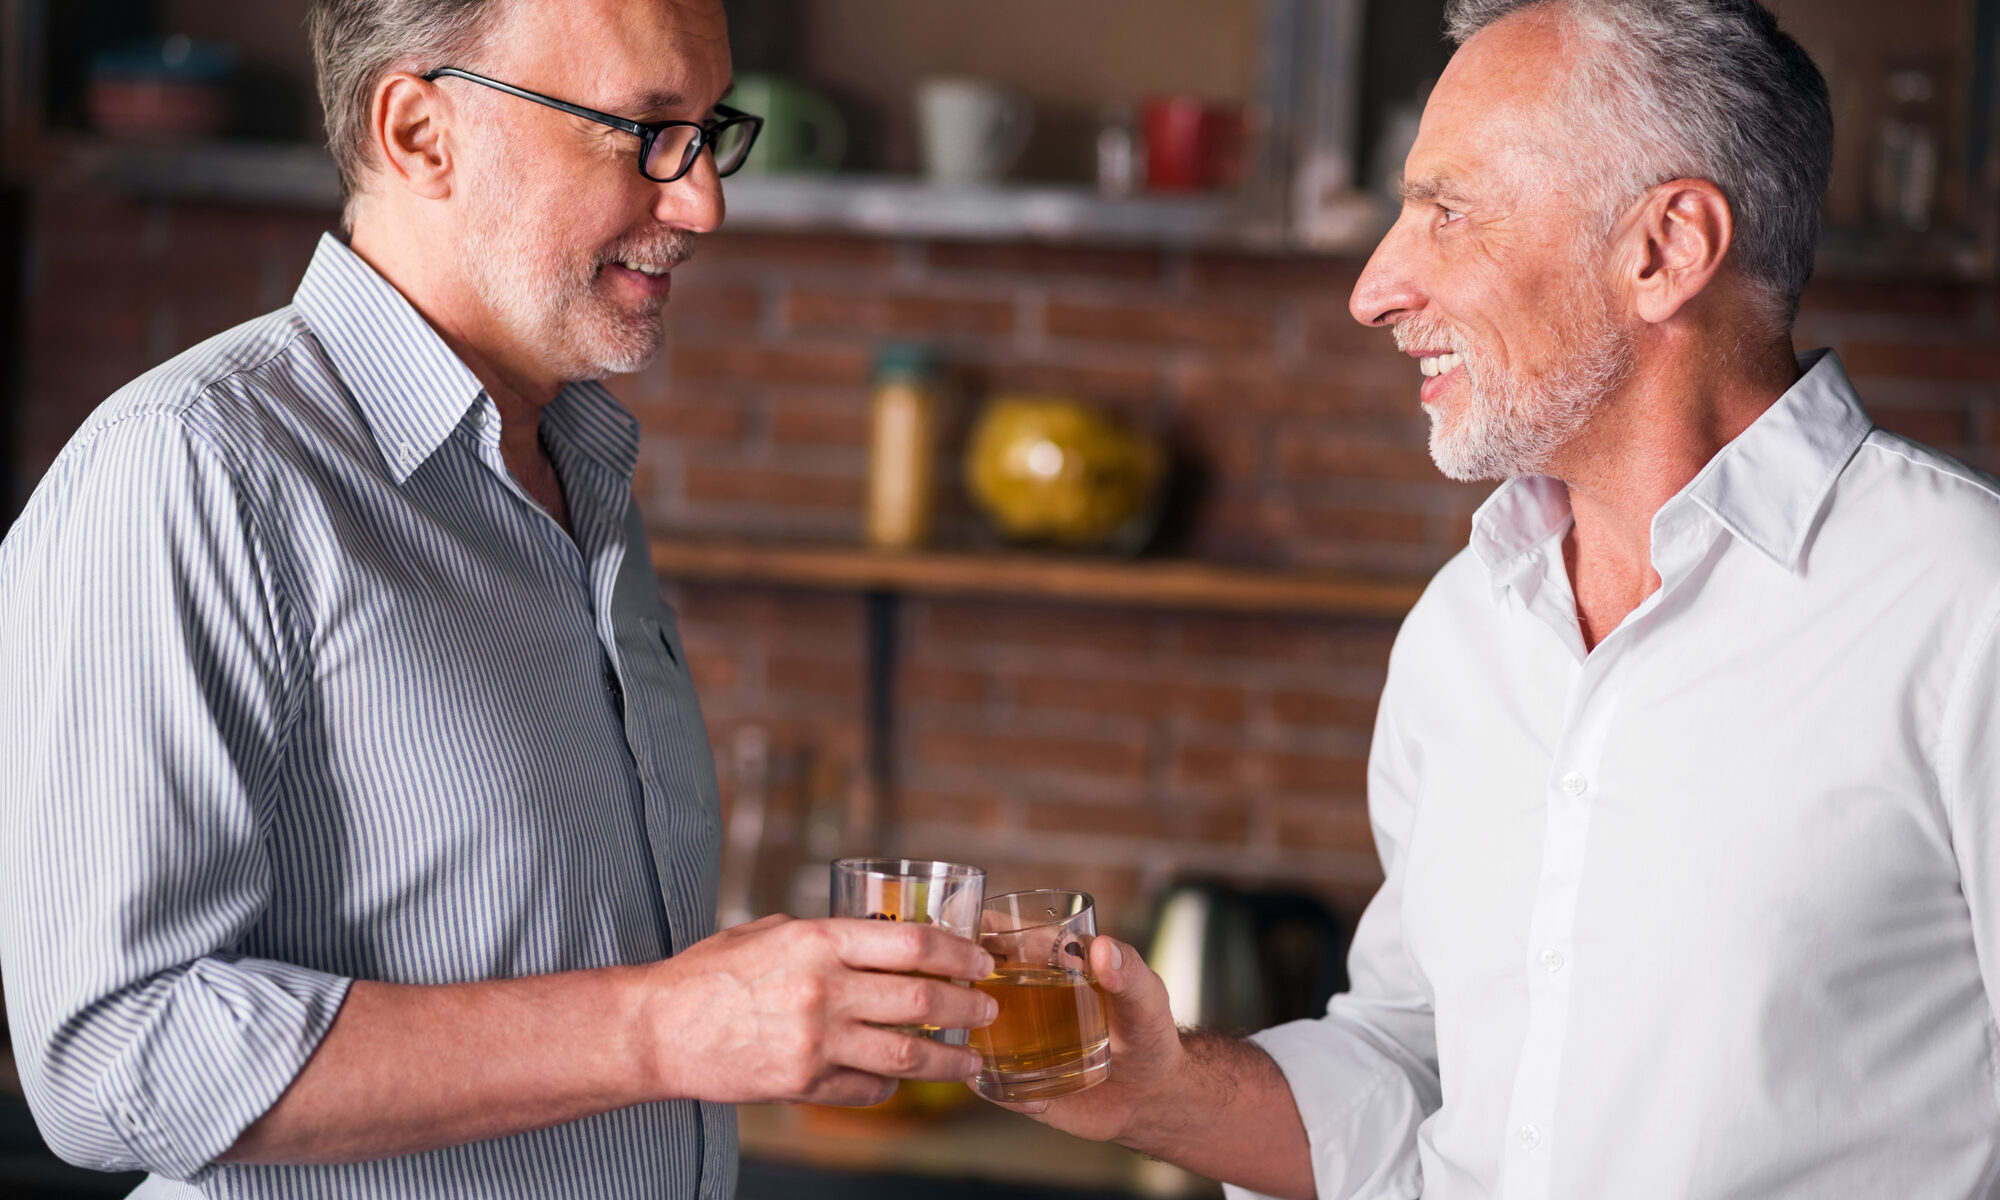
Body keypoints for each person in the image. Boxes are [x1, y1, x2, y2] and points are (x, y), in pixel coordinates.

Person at [0, 1, 996, 1196]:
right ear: (422, 132)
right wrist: (660, 1026)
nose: (701, 202)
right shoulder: (194, 468)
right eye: (640, 131)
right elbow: (113, 1061)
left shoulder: (575, 464)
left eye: (706, 131)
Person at [1005, 2, 2000, 1198]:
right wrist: (1158, 1093)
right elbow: (1417, 1074)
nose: (1375, 286)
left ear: (1665, 248)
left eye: (1447, 210)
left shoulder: (1962, 601)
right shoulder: (1463, 630)